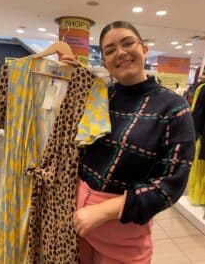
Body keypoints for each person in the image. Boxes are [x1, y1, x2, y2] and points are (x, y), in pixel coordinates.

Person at [59, 21, 195, 263]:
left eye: (127, 43)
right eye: (110, 50)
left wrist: (103, 211)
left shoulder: (173, 107)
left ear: (143, 48)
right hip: (75, 225)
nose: (120, 53)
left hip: (123, 235)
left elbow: (171, 185)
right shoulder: (101, 95)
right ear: (104, 62)